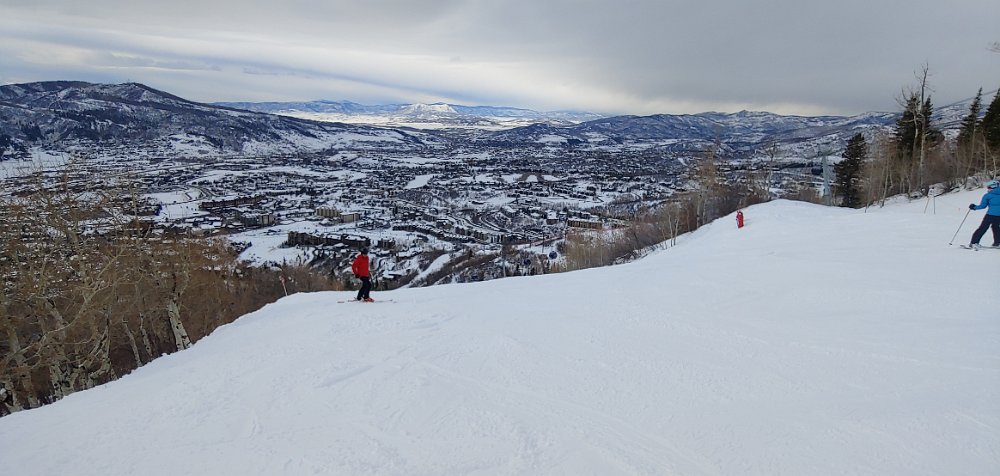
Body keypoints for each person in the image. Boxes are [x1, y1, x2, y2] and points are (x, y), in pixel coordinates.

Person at [968, 180, 1000, 249]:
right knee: (996, 227)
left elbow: (983, 206)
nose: (988, 189)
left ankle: (974, 243)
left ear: (993, 187)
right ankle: (997, 243)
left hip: (990, 215)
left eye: (989, 187)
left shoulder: (988, 195)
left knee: (983, 228)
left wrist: (974, 207)